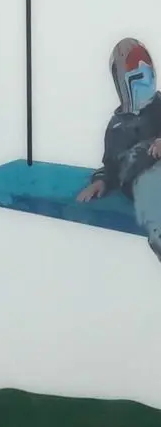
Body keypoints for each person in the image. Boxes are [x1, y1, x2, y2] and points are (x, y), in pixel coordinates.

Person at [75, 37, 161, 260]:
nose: (147, 83)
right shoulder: (117, 127)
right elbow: (112, 166)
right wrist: (101, 181)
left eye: (150, 75)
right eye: (139, 77)